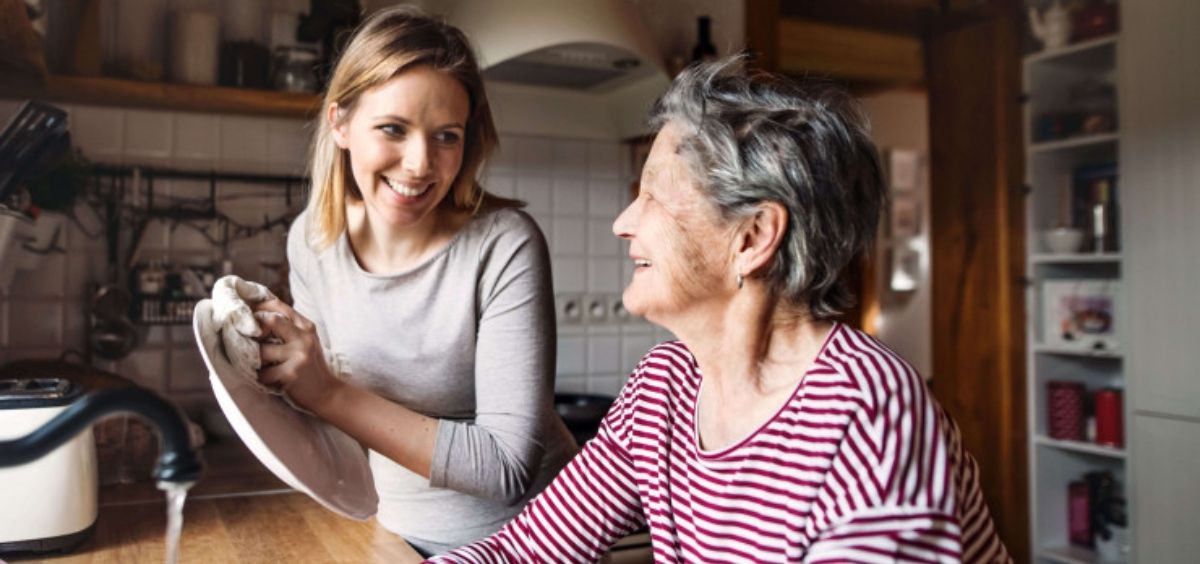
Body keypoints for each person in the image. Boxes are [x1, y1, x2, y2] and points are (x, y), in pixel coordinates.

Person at [434, 58, 1011, 562]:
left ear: (753, 237)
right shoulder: (664, 388)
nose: (622, 223)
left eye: (653, 196)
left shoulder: (870, 417)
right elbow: (529, 549)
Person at [249, 6, 576, 556]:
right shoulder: (312, 242)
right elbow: (331, 420)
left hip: (533, 541)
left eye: (446, 136)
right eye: (393, 129)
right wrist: (275, 373)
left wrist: (325, 391)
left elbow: (507, 467)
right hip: (397, 531)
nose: (420, 164)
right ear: (340, 123)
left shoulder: (504, 245)